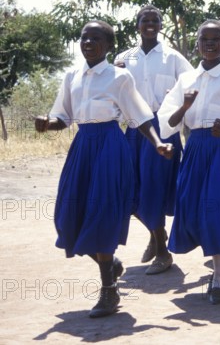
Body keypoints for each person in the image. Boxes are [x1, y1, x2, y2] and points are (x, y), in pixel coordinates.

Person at [34, 20, 173, 318]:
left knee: (101, 216)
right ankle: (109, 263)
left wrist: (157, 143)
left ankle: (109, 292)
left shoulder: (119, 77)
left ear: (108, 46)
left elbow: (140, 116)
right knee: (68, 216)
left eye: (95, 39)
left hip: (110, 147)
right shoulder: (72, 75)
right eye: (84, 38)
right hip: (83, 147)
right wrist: (47, 124)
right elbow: (64, 118)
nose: (87, 43)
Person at [157, 20, 220, 305]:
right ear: (197, 43)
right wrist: (185, 106)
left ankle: (218, 278)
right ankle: (219, 258)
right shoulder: (186, 80)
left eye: (216, 40)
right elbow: (168, 123)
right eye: (204, 39)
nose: (210, 44)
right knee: (189, 205)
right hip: (195, 148)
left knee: (217, 207)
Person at [115, 5, 193, 275]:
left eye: (155, 20)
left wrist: (179, 93)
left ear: (162, 26)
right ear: (136, 25)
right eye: (144, 20)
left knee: (153, 189)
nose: (150, 24)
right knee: (129, 190)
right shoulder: (124, 58)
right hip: (134, 129)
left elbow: (194, 83)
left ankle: (163, 251)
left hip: (162, 128)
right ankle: (155, 234)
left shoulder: (173, 58)